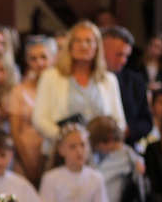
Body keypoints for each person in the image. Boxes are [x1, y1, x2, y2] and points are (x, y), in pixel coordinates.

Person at [32, 21, 126, 156]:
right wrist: (70, 140)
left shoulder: (108, 80)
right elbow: (39, 119)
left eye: (89, 41)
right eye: (77, 41)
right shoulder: (51, 76)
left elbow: (119, 122)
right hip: (63, 152)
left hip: (100, 154)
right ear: (70, 46)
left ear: (97, 47)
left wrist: (106, 140)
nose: (83, 45)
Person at [9, 36, 56, 187]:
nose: (39, 63)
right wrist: (28, 165)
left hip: (53, 156)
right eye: (33, 59)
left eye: (43, 57)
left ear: (53, 58)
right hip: (26, 156)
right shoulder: (19, 90)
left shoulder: (59, 89)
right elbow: (15, 131)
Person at [101, 26, 152, 148]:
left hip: (125, 146)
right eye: (118, 54)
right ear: (101, 49)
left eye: (126, 56)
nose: (123, 61)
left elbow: (146, 123)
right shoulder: (86, 79)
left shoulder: (135, 82)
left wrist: (127, 130)